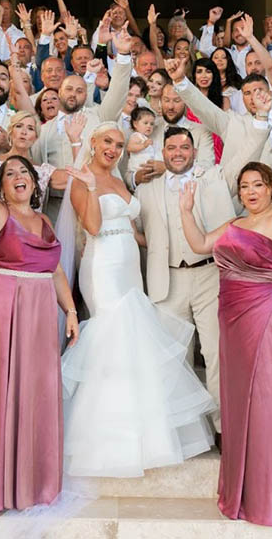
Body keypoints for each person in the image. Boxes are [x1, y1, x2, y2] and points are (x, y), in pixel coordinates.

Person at [57, 122, 215, 477]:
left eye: (118, 144)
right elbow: (95, 228)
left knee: (134, 340)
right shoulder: (84, 180)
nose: (113, 149)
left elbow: (132, 229)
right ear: (93, 144)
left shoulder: (120, 181)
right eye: (107, 143)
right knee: (114, 339)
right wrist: (93, 188)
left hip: (129, 264)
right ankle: (109, 439)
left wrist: (170, 247)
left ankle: (149, 437)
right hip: (104, 268)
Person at [179, 161, 272, 526]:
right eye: (244, 186)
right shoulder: (234, 225)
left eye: (258, 184)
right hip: (231, 320)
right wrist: (185, 210)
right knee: (241, 401)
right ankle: (246, 486)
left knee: (270, 400)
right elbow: (198, 245)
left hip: (269, 315)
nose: (250, 191)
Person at [133, 88, 272, 436]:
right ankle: (178, 432)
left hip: (210, 276)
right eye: (172, 148)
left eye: (184, 148)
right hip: (166, 280)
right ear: (162, 152)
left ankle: (224, 427)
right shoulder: (147, 188)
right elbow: (131, 227)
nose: (178, 153)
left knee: (215, 355)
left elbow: (246, 154)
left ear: (194, 152)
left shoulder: (212, 179)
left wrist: (259, 120)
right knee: (172, 359)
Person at [0, 153, 79, 512]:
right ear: (3, 186)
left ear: (34, 182)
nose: (19, 177)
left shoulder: (43, 220)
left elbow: (54, 270)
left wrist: (69, 310)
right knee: (2, 391)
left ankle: (31, 477)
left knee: (34, 393)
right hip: (1, 311)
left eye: (24, 171)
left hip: (38, 316)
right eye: (10, 173)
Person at [31, 25, 134, 219]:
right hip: (54, 207)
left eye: (79, 91)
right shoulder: (44, 130)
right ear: (59, 91)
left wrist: (124, 55)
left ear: (86, 94)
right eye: (69, 89)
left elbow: (119, 91)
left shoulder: (99, 117)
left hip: (94, 203)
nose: (73, 95)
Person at [0, 110, 70, 211]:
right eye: (19, 126)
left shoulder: (42, 170)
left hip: (33, 225)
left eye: (30, 129)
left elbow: (75, 179)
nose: (24, 132)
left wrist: (75, 142)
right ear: (11, 133)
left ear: (36, 137)